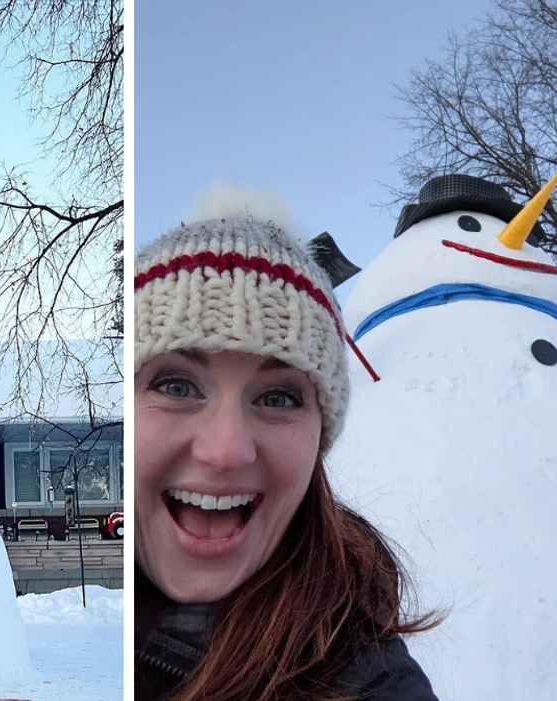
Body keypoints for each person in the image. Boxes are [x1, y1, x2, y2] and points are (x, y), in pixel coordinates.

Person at [133, 213, 440, 700]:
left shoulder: (371, 683)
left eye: (277, 398)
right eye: (176, 387)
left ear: (320, 437)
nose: (226, 452)